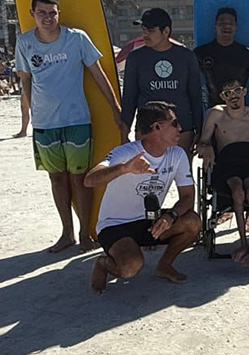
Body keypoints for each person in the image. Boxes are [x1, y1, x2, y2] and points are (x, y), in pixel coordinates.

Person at [15, 0, 123, 253]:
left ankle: (86, 233)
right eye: (42, 13)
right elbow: (25, 81)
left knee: (81, 178)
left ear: (58, 13)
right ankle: (67, 233)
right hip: (45, 123)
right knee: (56, 179)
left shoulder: (76, 38)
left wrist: (116, 109)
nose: (47, 18)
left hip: (76, 119)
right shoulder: (25, 42)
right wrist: (28, 117)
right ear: (32, 14)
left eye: (52, 12)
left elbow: (99, 75)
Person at [86, 101, 201, 292]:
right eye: (174, 123)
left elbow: (188, 197)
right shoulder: (126, 153)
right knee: (130, 267)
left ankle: (164, 266)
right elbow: (90, 180)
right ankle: (103, 264)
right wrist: (124, 168)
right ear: (156, 127)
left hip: (149, 221)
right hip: (114, 224)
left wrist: (170, 216)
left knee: (192, 222)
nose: (180, 128)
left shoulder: (178, 154)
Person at [198, 77, 249, 265]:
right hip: (227, 161)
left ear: (244, 92)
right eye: (228, 93)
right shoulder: (216, 114)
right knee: (237, 191)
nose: (233, 96)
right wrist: (207, 147)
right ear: (222, 97)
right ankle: (244, 244)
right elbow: (202, 144)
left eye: (236, 91)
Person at [120, 8, 202, 159]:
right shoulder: (135, 57)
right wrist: (124, 132)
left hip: (181, 127)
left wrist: (200, 131)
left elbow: (195, 95)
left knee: (183, 175)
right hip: (147, 128)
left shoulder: (186, 56)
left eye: (150, 31)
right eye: (143, 30)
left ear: (166, 31)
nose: (145, 35)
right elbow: (129, 97)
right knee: (146, 178)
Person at [194, 7, 249, 108]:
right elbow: (187, 73)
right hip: (214, 110)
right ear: (215, 27)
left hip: (239, 111)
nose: (227, 26)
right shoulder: (202, 52)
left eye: (231, 23)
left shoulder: (245, 53)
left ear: (236, 27)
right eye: (222, 23)